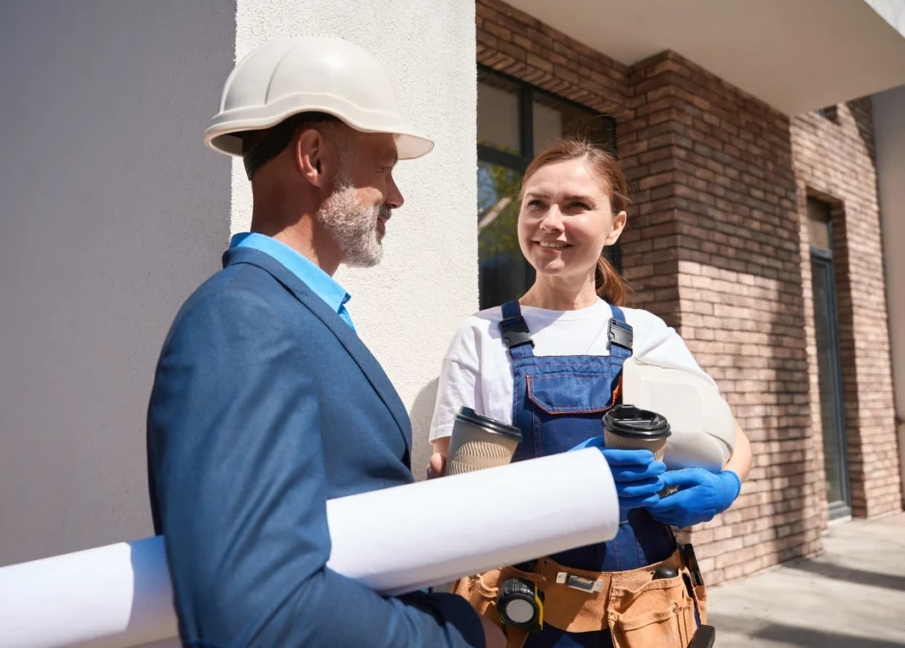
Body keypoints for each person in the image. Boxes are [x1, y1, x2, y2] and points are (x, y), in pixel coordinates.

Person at [146, 36, 504, 648]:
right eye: (384, 168)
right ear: (312, 157)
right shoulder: (240, 320)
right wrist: (457, 638)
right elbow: (256, 611)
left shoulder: (288, 313)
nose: (396, 196)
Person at [428, 137, 752, 647]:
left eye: (576, 205)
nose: (550, 222)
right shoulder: (482, 336)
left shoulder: (648, 334)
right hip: (525, 615)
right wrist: (569, 483)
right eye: (536, 203)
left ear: (615, 224)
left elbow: (732, 437)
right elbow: (456, 492)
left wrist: (724, 487)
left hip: (648, 614)